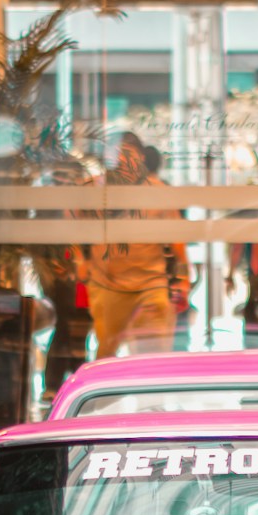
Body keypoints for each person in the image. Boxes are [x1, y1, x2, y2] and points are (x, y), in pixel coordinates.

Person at [86, 134, 190, 356]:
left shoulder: (158, 192)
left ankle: (153, 380)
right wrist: (79, 262)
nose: (123, 160)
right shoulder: (95, 189)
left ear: (141, 158)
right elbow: (73, 227)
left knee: (153, 353)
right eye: (117, 155)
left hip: (151, 284)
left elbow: (177, 241)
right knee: (106, 351)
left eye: (128, 154)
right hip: (107, 285)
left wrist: (183, 280)